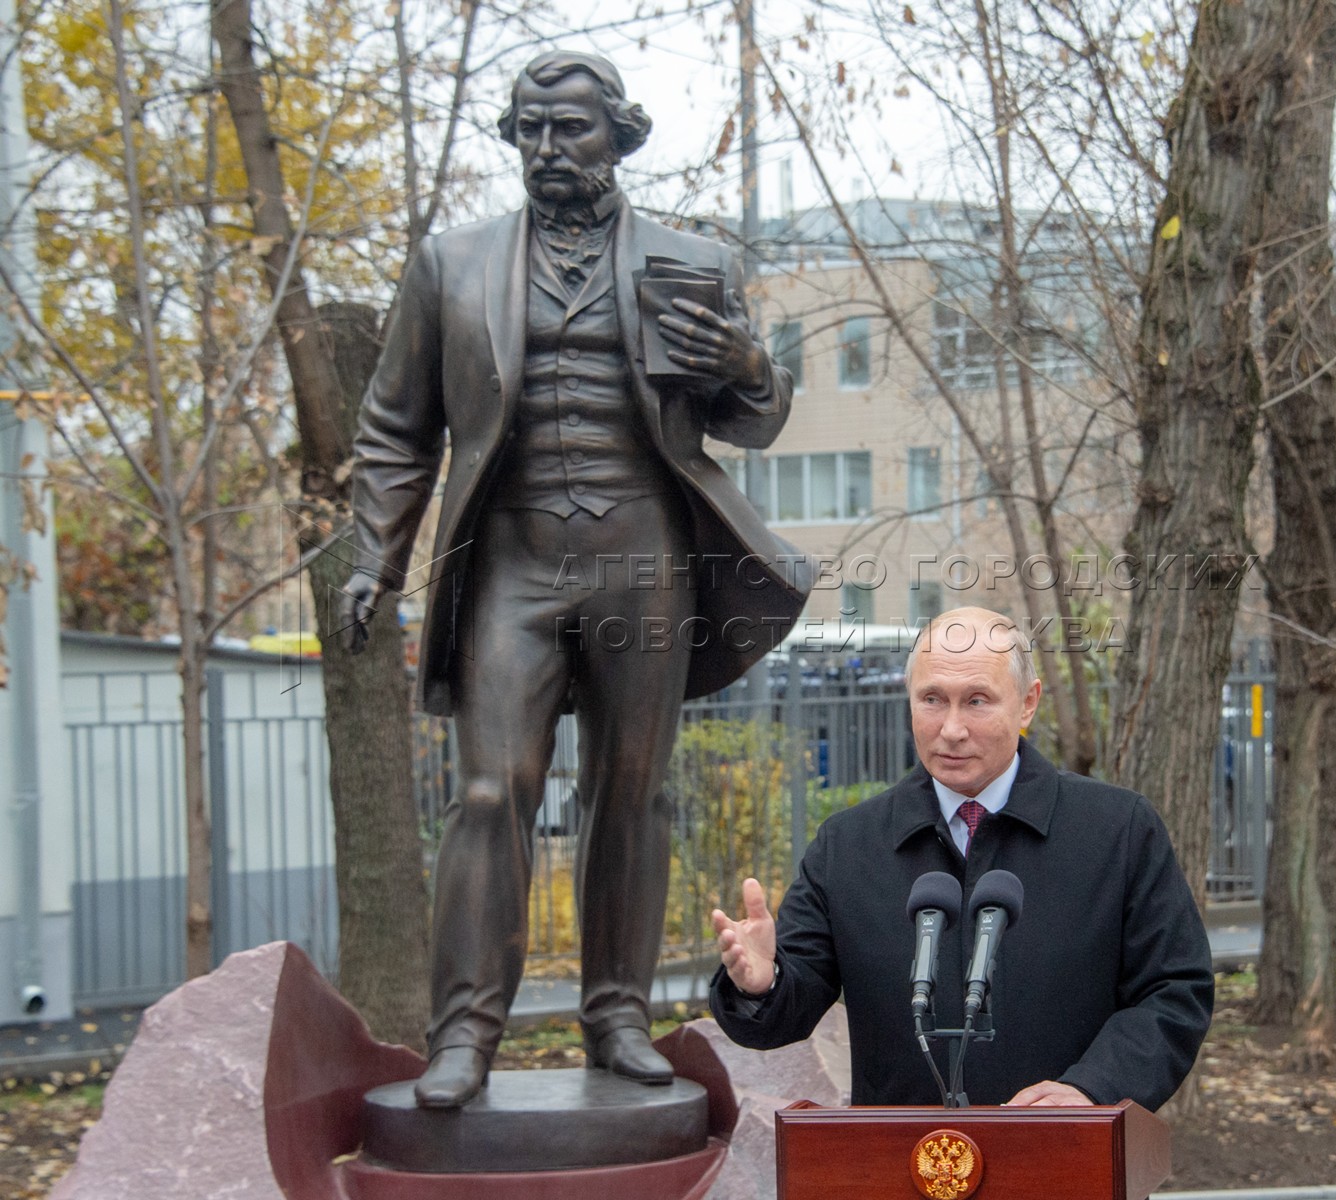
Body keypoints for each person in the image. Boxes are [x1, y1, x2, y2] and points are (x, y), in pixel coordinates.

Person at [343, 50, 808, 1107]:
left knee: (631, 792)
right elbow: (394, 428)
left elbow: (759, 416)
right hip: (508, 561)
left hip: (643, 560)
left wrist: (741, 362)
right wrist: (375, 555)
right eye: (529, 132)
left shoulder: (690, 259)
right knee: (487, 789)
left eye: (571, 130)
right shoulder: (450, 264)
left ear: (620, 135)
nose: (549, 152)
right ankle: (464, 1033)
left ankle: (618, 1018)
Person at [710, 607, 1213, 1109]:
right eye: (932, 699)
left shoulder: (1116, 830)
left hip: (1065, 1161)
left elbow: (1173, 991)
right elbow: (786, 1009)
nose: (951, 728)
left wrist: (1091, 1089)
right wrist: (761, 984)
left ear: (1027, 704)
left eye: (976, 701)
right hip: (900, 1167)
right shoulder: (848, 846)